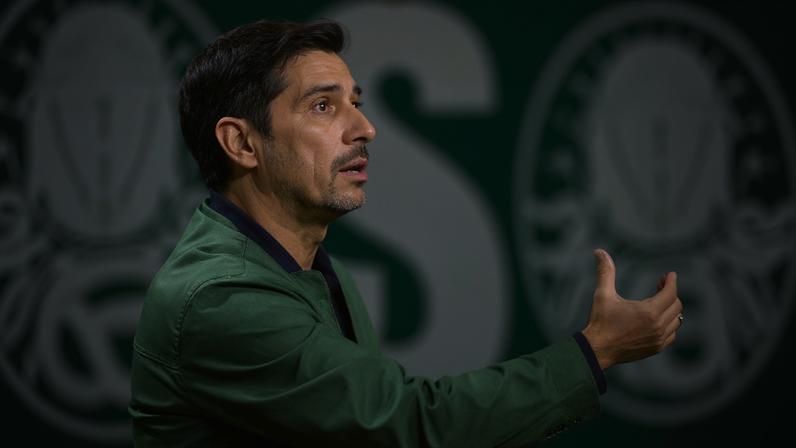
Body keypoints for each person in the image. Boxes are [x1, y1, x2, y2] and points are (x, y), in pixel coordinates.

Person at [129, 19, 683, 447]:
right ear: (242, 144)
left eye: (356, 103)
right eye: (324, 106)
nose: (365, 128)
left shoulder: (321, 271)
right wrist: (596, 351)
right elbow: (410, 425)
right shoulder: (218, 299)